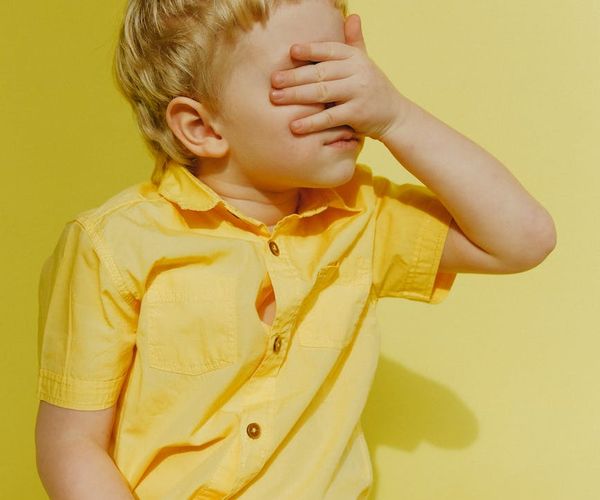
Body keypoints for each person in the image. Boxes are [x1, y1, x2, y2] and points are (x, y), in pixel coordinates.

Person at [34, 0, 557, 499]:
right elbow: (71, 444)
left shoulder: (363, 218)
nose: (344, 99)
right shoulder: (113, 246)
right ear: (201, 127)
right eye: (308, 80)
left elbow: (524, 239)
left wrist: (396, 116)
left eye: (345, 69)